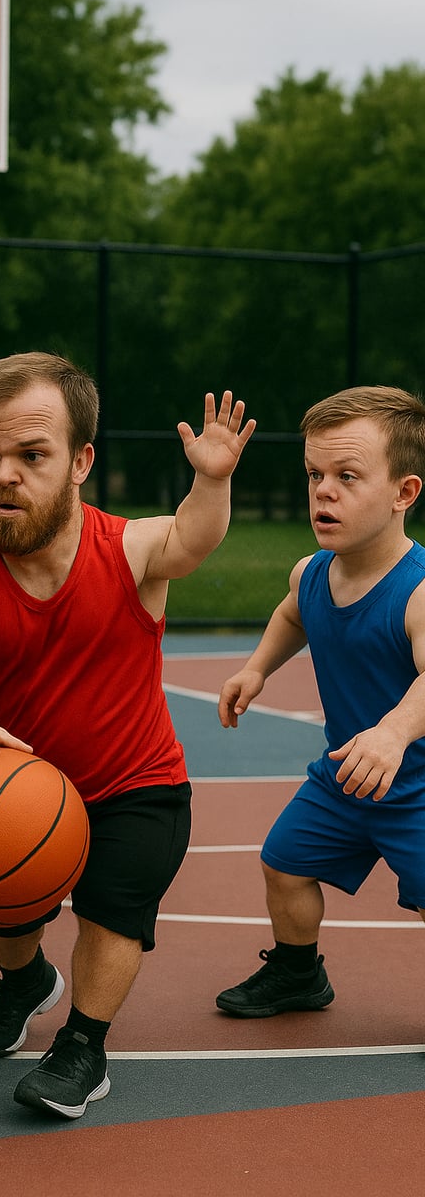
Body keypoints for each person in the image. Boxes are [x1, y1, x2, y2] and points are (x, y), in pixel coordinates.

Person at [0, 351, 255, 1119]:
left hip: (137, 786)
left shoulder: (128, 550)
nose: (4, 474)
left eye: (31, 455)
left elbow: (194, 538)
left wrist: (213, 478)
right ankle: (25, 978)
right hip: (23, 792)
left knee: (112, 905)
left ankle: (82, 1046)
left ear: (80, 461)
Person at [215, 385, 425, 1020]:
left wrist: (392, 733)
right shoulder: (311, 573)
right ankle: (298, 974)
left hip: (415, 784)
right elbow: (293, 616)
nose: (323, 490)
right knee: (284, 865)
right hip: (345, 777)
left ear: (403, 493)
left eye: (348, 476)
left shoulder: (416, 591)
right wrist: (257, 668)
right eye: (314, 474)